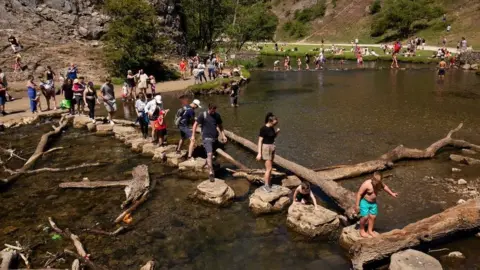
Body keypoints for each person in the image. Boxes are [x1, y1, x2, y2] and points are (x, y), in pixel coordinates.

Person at [191, 103, 227, 182]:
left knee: (211, 154)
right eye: (212, 110)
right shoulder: (203, 115)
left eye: (214, 110)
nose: (213, 112)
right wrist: (193, 136)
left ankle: (209, 163)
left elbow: (220, 126)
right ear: (209, 108)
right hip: (206, 138)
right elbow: (195, 125)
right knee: (210, 154)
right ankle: (211, 172)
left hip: (215, 138)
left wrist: (223, 135)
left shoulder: (217, 115)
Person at [355, 172, 398, 238]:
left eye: (377, 182)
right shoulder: (367, 184)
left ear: (380, 181)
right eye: (374, 181)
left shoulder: (379, 183)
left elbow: (385, 187)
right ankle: (362, 230)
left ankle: (369, 230)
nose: (375, 183)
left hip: (373, 203)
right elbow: (359, 194)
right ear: (372, 178)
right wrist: (357, 205)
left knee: (373, 217)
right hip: (364, 202)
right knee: (365, 217)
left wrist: (392, 193)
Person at [256, 112, 280, 192]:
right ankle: (265, 186)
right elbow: (260, 141)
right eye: (275, 122)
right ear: (270, 121)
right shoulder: (263, 129)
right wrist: (259, 153)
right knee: (268, 168)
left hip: (272, 147)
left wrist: (277, 133)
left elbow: (272, 137)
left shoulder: (272, 128)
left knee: (270, 168)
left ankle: (269, 184)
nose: (276, 124)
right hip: (266, 148)